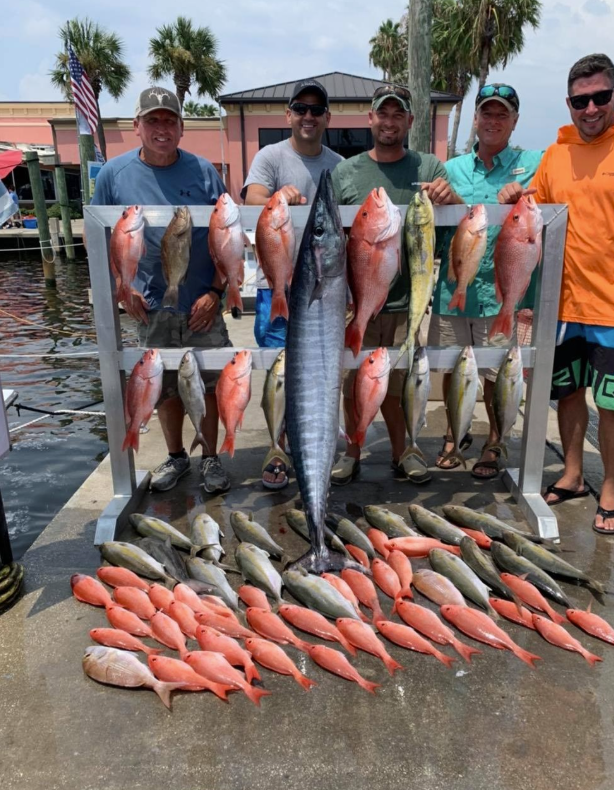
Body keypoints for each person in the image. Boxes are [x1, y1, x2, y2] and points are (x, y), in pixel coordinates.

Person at [91, 86, 232, 495]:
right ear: (136, 126)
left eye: (169, 120)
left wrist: (217, 292)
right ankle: (176, 456)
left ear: (181, 127)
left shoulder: (204, 171)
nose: (161, 128)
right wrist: (121, 287)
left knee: (206, 382)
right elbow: (98, 240)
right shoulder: (113, 176)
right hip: (149, 305)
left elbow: (227, 238)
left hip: (201, 302)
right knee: (165, 385)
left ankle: (210, 457)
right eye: (152, 120)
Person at [331, 84, 462, 485]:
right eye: (382, 114)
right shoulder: (344, 172)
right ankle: (352, 450)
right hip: (358, 301)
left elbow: (456, 225)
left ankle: (403, 450)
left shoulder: (428, 169)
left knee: (401, 381)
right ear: (370, 118)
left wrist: (450, 198)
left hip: (409, 302)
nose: (389, 122)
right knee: (355, 380)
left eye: (397, 114)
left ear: (409, 120)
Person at [513, 53, 614, 533]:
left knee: (611, 403)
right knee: (569, 393)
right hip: (563, 303)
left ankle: (610, 486)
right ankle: (573, 474)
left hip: (612, 307)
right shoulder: (554, 154)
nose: (590, 108)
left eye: (601, 97)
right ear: (569, 103)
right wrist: (518, 194)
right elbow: (535, 206)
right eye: (580, 100)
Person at [429, 84, 543, 479]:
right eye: (486, 113)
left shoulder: (533, 163)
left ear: (514, 122)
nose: (493, 121)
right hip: (452, 291)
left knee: (497, 373)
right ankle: (453, 432)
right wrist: (437, 200)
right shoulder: (453, 169)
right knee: (450, 367)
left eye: (502, 114)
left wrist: (527, 194)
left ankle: (494, 440)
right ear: (475, 119)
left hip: (500, 296)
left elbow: (551, 199)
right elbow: (441, 235)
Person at [243, 78, 343, 490]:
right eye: (300, 108)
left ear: (326, 119)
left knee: (321, 372)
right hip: (279, 285)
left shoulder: (338, 165)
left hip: (324, 290)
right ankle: (277, 448)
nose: (307, 116)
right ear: (288, 115)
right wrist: (275, 196)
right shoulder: (270, 156)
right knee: (278, 367)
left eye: (316, 110)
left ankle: (315, 446)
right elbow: (251, 200)